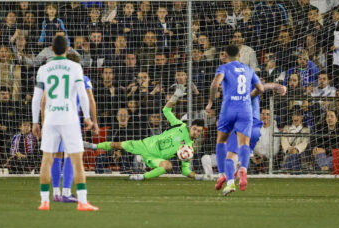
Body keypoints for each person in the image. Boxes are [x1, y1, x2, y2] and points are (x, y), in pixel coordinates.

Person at [31, 35, 97, 211]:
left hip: (51, 117)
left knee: (47, 158)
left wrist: (35, 122)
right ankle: (82, 201)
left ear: (51, 49)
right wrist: (88, 117)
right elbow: (83, 94)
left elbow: (37, 98)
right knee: (76, 158)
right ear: (68, 49)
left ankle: (45, 200)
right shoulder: (75, 67)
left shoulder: (44, 69)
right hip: (69, 117)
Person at [85, 85, 205, 181]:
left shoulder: (188, 149)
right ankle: (93, 146)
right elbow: (166, 110)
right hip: (145, 144)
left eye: (198, 131)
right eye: (194, 128)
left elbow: (185, 170)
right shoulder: (180, 125)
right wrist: (174, 97)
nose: (195, 132)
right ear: (190, 126)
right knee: (117, 145)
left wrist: (197, 176)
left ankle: (141, 176)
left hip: (154, 157)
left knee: (167, 165)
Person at [205, 44, 265, 194]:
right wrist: (248, 96)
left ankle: (224, 176)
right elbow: (261, 89)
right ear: (239, 55)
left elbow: (215, 84)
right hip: (245, 110)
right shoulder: (248, 69)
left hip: (228, 110)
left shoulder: (224, 68)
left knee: (221, 141)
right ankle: (243, 169)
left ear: (225, 55)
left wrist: (211, 102)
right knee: (244, 143)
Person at [48, 51, 98, 203]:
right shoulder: (81, 78)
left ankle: (56, 192)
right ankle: (66, 192)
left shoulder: (53, 78)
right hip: (70, 120)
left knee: (56, 155)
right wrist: (92, 120)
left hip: (53, 118)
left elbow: (44, 100)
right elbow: (89, 98)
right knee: (71, 154)